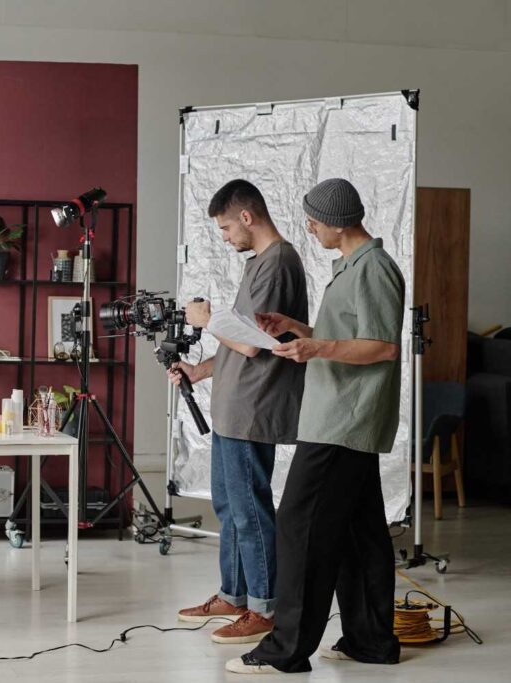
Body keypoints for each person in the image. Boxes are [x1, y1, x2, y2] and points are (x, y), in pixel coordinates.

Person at [226, 178, 403, 674]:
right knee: (357, 529)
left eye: (315, 220)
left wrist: (317, 348)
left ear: (339, 221)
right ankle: (370, 641)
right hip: (337, 415)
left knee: (298, 526)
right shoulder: (349, 268)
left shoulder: (374, 269)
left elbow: (383, 347)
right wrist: (296, 328)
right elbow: (346, 335)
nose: (309, 227)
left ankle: (285, 650)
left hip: (343, 419)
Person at [170, 179, 308, 644]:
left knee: (250, 509)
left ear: (247, 217)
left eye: (227, 227)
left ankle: (263, 609)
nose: (225, 236)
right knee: (229, 506)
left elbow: (250, 343)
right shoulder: (257, 264)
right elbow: (240, 340)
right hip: (233, 407)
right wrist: (198, 371)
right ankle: (234, 595)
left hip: (253, 409)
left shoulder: (279, 262)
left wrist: (207, 321)